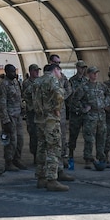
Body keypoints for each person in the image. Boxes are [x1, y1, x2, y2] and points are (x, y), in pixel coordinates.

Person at [34, 62, 74, 191]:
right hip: (51, 119)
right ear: (56, 70)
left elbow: (29, 97)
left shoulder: (37, 81)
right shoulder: (53, 80)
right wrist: (57, 109)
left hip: (40, 119)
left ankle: (41, 178)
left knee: (41, 147)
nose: (60, 75)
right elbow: (59, 95)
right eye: (60, 72)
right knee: (53, 148)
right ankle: (52, 179)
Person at [0, 63, 26, 171]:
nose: (14, 73)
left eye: (15, 71)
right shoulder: (3, 84)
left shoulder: (16, 82)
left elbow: (19, 97)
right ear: (7, 72)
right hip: (9, 116)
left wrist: (22, 109)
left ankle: (17, 159)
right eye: (12, 71)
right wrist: (5, 120)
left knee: (20, 140)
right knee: (11, 141)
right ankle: (9, 162)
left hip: (17, 115)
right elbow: (1, 103)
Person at [80, 66, 110, 170]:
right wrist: (84, 108)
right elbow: (75, 100)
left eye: (96, 73)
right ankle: (88, 159)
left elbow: (109, 95)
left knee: (101, 137)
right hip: (90, 116)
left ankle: (101, 157)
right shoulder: (84, 87)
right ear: (89, 74)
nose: (95, 75)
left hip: (101, 115)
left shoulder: (101, 86)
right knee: (89, 138)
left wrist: (105, 104)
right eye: (93, 73)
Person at [64, 62, 89, 164]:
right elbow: (69, 97)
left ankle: (87, 156)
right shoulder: (71, 81)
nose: (82, 70)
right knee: (73, 134)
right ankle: (71, 154)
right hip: (75, 112)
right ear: (77, 68)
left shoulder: (86, 81)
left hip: (85, 112)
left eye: (84, 68)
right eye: (81, 67)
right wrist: (77, 107)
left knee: (88, 135)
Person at [21, 63, 41, 164]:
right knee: (33, 134)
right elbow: (25, 95)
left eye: (38, 70)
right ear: (31, 71)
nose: (37, 72)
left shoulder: (41, 82)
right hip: (32, 112)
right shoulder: (27, 83)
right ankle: (35, 155)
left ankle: (41, 155)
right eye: (35, 70)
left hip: (41, 113)